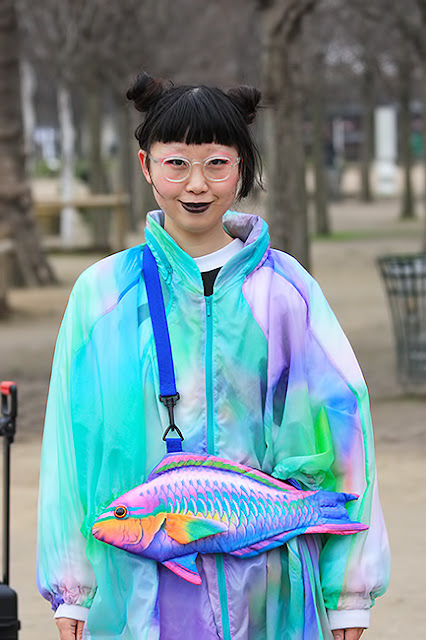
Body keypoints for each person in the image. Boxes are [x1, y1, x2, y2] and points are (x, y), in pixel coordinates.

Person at [37, 72, 390, 640]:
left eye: (217, 164)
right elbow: (73, 451)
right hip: (140, 600)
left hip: (271, 594)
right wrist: (73, 592)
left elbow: (343, 437)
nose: (196, 184)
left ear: (243, 169)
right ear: (145, 165)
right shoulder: (102, 296)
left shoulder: (286, 292)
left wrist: (348, 594)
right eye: (176, 163)